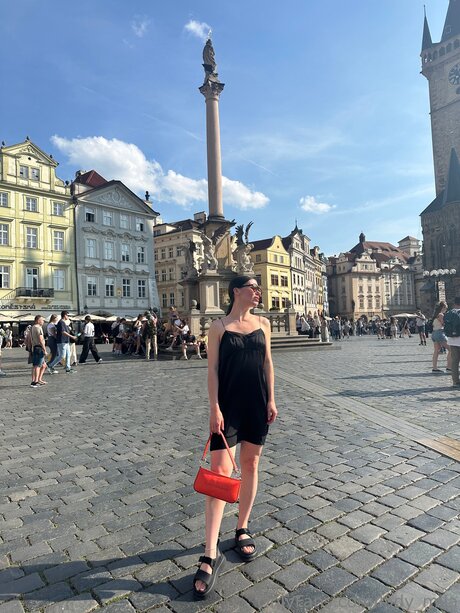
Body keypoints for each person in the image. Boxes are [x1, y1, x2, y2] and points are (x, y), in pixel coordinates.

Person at [193, 275, 278, 599]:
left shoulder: (264, 324)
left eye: (259, 288)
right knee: (220, 474)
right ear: (236, 291)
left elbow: (268, 363)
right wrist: (214, 408)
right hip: (228, 407)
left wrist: (272, 399)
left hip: (256, 403)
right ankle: (210, 551)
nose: (258, 292)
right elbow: (212, 370)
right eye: (253, 287)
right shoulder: (218, 327)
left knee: (251, 464)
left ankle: (242, 527)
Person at [444, 297, 460, 387]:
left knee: (454, 361)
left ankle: (455, 381)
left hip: (452, 340)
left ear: (454, 304)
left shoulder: (449, 313)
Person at [30, 315, 47, 387]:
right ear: (38, 320)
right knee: (37, 365)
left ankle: (38, 379)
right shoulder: (38, 328)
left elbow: (30, 338)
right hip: (39, 348)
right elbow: (41, 340)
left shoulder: (32, 327)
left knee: (43, 365)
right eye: (42, 320)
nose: (43, 321)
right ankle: (35, 381)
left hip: (35, 347)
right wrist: (44, 349)